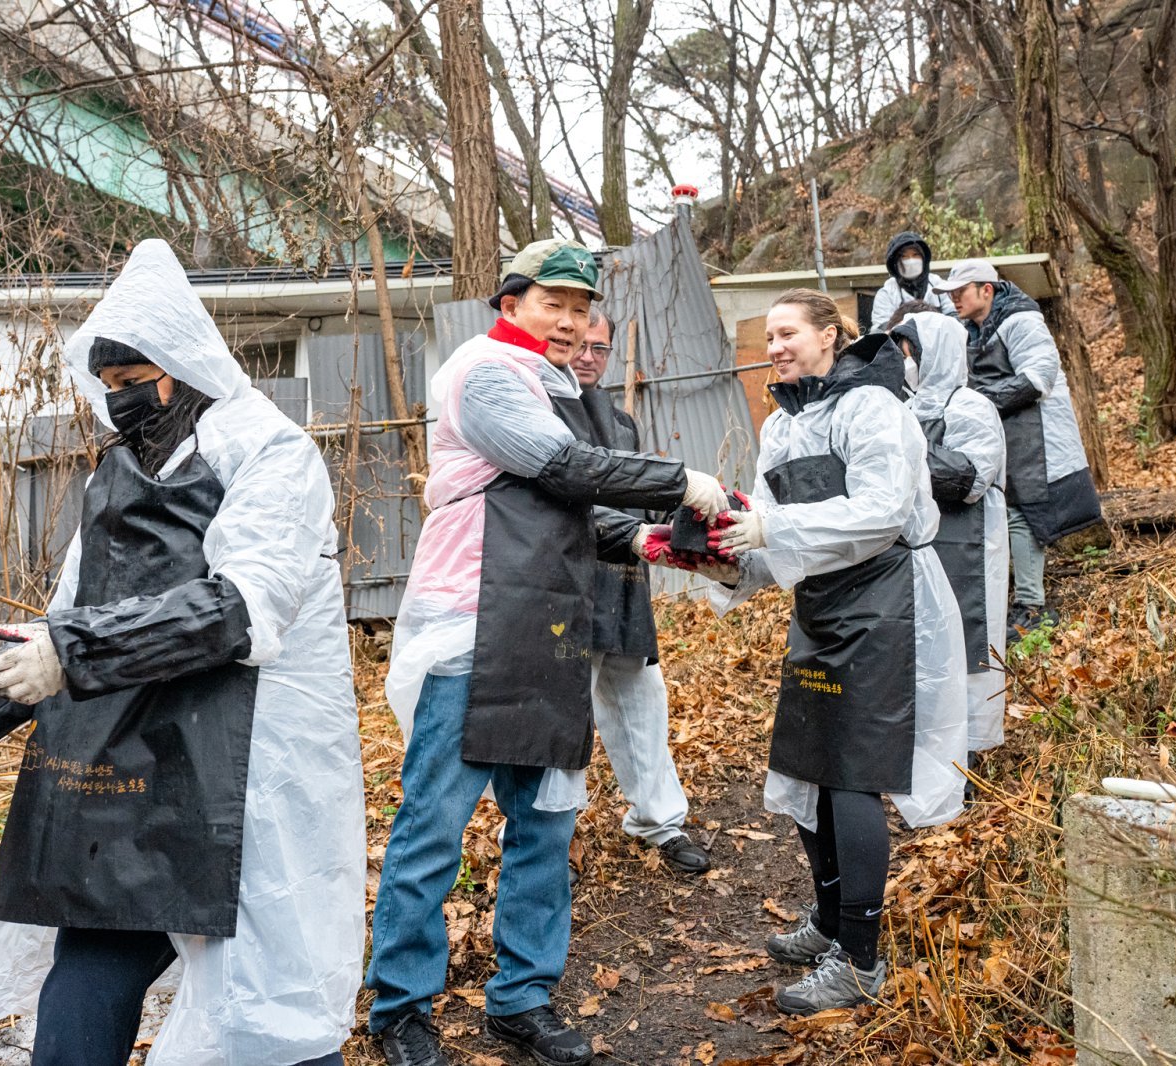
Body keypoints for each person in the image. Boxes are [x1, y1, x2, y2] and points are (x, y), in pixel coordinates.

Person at [0, 240, 365, 1066]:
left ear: (184, 368)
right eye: (110, 389)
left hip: (247, 772)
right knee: (86, 982)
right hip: (136, 761)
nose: (122, 404)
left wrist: (71, 651)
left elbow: (243, 608)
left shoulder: (269, 455)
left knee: (263, 1010)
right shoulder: (114, 478)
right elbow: (62, 622)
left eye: (136, 383)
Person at [368, 237, 729, 1066]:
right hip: (472, 628)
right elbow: (556, 465)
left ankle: (522, 999)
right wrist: (678, 482)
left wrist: (645, 542)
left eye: (580, 309)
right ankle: (400, 1009)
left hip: (549, 628)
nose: (569, 323)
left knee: (545, 825)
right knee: (434, 827)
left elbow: (552, 512)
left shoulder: (551, 382)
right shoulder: (489, 371)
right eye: (552, 306)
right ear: (511, 304)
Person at [696, 288, 967, 1015]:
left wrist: (771, 534)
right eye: (768, 336)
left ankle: (860, 959)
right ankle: (826, 922)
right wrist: (718, 558)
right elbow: (765, 531)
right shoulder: (783, 428)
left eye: (788, 333)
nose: (775, 346)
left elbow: (880, 512)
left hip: (884, 602)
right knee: (808, 765)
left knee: (854, 777)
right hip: (819, 607)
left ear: (829, 336)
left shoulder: (870, 408)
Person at [563, 307, 710, 875]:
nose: (589, 357)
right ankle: (549, 835)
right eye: (580, 345)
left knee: (642, 703)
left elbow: (637, 493)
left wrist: (684, 516)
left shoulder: (622, 424)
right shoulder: (541, 409)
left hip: (625, 581)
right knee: (565, 715)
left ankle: (660, 821)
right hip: (568, 588)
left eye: (600, 348)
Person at [930, 259, 1104, 635]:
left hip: (1037, 436)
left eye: (960, 292)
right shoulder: (971, 329)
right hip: (1008, 436)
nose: (954, 299)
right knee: (1009, 512)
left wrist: (980, 403)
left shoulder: (1021, 320)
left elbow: (1038, 377)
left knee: (1026, 514)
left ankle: (1033, 606)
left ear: (986, 290)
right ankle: (1022, 599)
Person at [887, 304, 1009, 755]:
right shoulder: (902, 408)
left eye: (910, 351)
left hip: (970, 545)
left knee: (970, 642)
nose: (905, 361)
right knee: (925, 640)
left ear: (933, 352)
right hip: (919, 546)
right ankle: (929, 742)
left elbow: (972, 477)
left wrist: (907, 458)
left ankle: (972, 748)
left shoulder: (972, 408)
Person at [869, 231, 955, 333]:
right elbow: (880, 330)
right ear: (895, 263)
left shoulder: (939, 285)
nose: (911, 261)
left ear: (924, 258)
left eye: (915, 255)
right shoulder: (886, 293)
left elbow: (955, 318)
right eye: (904, 257)